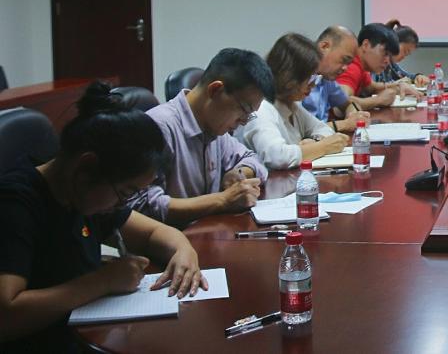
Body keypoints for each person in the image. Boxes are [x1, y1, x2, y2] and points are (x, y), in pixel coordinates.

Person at [0, 83, 206, 353]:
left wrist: (184, 251)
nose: (122, 203)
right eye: (125, 192)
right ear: (85, 167)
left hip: (86, 335)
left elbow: (153, 233)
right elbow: (7, 314)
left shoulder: (82, 193)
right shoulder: (16, 204)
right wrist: (103, 281)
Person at [133, 48, 273, 229]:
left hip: (208, 234)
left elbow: (253, 159)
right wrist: (222, 200)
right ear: (216, 90)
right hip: (170, 242)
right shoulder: (159, 127)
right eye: (244, 110)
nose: (244, 121)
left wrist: (240, 172)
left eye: (250, 114)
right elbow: (142, 207)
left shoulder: (214, 128)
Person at [235, 33, 350, 170]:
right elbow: (277, 157)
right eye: (310, 77)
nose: (313, 84)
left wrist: (314, 142)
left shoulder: (291, 105)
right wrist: (322, 147)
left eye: (316, 77)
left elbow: (323, 129)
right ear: (290, 77)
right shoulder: (261, 109)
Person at [302, 25, 371, 130]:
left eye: (349, 63)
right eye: (344, 60)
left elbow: (349, 104)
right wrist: (345, 124)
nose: (345, 68)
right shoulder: (297, 76)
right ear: (324, 47)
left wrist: (353, 115)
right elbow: (297, 130)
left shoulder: (326, 77)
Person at [337, 23, 416, 110]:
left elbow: (371, 87)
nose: (387, 61)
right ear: (366, 45)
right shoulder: (352, 67)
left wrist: (399, 86)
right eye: (385, 53)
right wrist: (378, 100)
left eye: (389, 56)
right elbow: (340, 101)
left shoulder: (361, 65)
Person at [373, 19, 429, 88]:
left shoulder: (391, 64)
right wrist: (396, 86)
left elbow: (406, 76)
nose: (403, 57)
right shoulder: (375, 62)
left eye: (407, 55)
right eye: (405, 51)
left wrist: (418, 76)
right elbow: (371, 89)